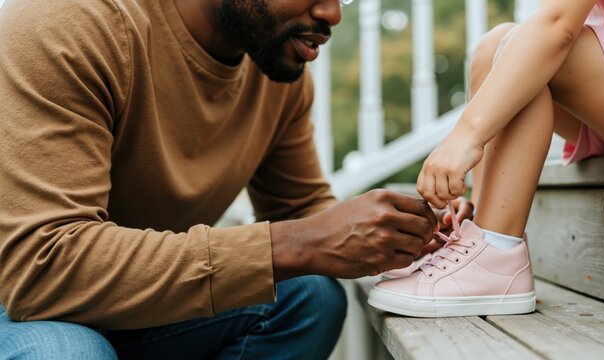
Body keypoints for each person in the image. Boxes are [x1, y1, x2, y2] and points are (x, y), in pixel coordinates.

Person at [0, 0, 476, 358]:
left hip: (133, 307)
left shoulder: (275, 73)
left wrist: (406, 232)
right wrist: (296, 243)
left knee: (310, 299)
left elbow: (305, 214)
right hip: (21, 302)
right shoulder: (70, 24)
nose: (332, 13)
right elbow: (43, 267)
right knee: (66, 352)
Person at [369, 0, 604, 317]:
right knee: (494, 45)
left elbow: (556, 26)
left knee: (531, 51)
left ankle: (498, 251)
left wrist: (465, 136)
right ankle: (477, 240)